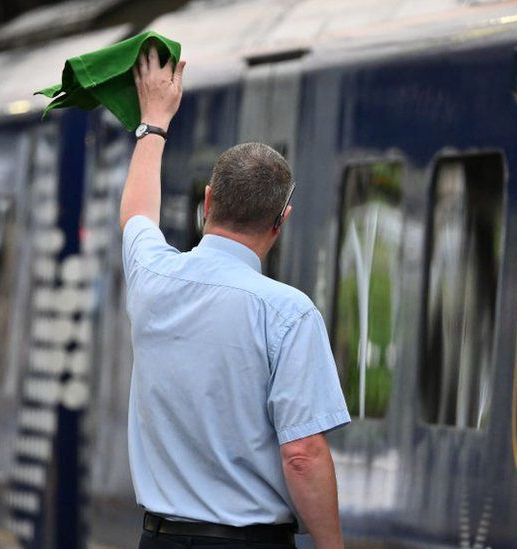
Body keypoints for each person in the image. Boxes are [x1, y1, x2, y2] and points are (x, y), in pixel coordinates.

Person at [120, 45, 350, 549]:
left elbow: (136, 215)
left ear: (207, 203)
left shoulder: (153, 276)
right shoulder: (289, 314)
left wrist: (153, 124)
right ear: (280, 223)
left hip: (159, 539)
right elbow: (303, 453)